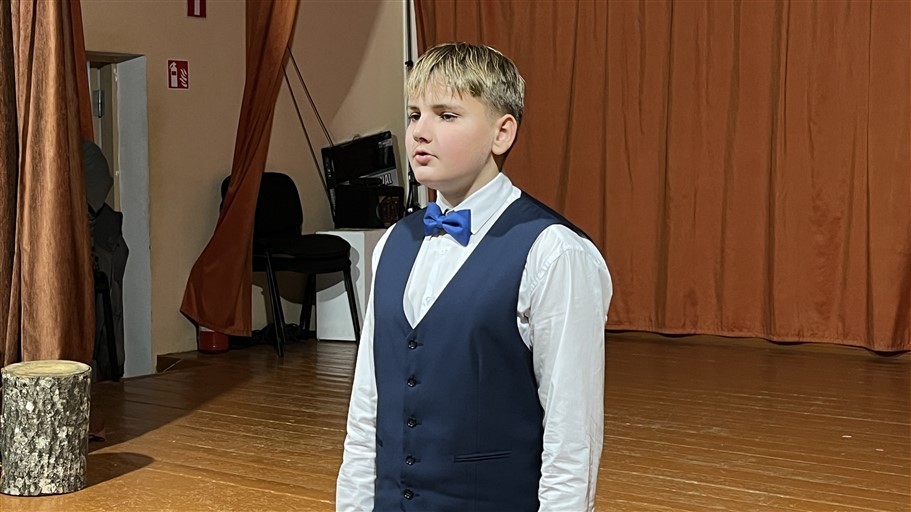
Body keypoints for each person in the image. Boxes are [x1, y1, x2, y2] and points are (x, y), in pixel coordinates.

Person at [336, 42, 612, 511]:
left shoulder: (553, 252)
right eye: (414, 114)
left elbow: (572, 437)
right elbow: (366, 408)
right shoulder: (393, 244)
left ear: (502, 133)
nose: (420, 132)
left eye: (446, 115)